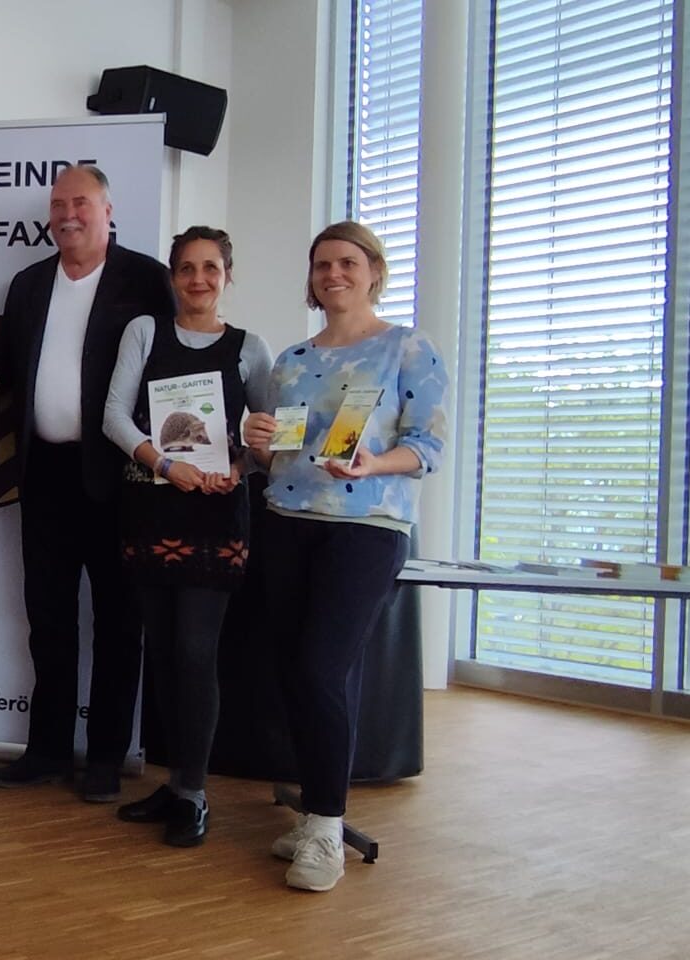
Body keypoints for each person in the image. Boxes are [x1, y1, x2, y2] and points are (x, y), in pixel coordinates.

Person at [242, 221, 448, 892]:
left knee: (323, 668)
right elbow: (277, 456)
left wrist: (373, 464)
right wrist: (257, 442)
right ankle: (313, 814)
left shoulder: (407, 348)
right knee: (296, 675)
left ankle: (327, 827)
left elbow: (429, 447)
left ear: (373, 272)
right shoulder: (292, 360)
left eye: (347, 262)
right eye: (322, 264)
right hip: (286, 521)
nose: (333, 274)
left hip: (367, 528)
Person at [0, 165, 177, 802]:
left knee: (120, 622)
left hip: (121, 477)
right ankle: (46, 751)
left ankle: (105, 759)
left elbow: (171, 366)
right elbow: (5, 365)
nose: (69, 214)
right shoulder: (28, 283)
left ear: (107, 210)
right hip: (44, 476)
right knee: (48, 619)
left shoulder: (146, 279)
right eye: (59, 204)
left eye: (82, 203)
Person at [102, 226, 273, 845]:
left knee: (197, 655)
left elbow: (269, 437)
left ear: (227, 276)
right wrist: (167, 465)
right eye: (186, 268)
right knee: (165, 655)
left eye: (210, 268)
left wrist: (240, 467)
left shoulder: (251, 348)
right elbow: (113, 417)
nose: (198, 279)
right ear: (172, 276)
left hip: (215, 519)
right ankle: (174, 785)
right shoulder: (145, 332)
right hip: (151, 513)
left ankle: (194, 794)